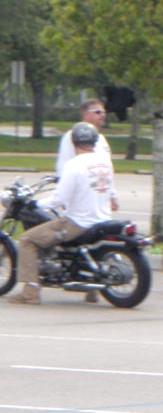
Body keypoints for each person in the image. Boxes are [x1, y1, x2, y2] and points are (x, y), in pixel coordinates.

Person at [9, 122, 117, 306]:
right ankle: (92, 292)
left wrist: (36, 203)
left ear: (74, 142)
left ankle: (30, 292)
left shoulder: (73, 165)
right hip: (102, 220)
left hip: (78, 223)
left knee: (27, 240)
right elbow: (108, 189)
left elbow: (59, 199)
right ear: (95, 141)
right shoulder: (104, 162)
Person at [56, 98, 112, 179]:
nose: (103, 115)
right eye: (98, 112)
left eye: (104, 112)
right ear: (86, 114)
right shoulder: (73, 136)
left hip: (100, 184)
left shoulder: (101, 138)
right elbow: (63, 165)